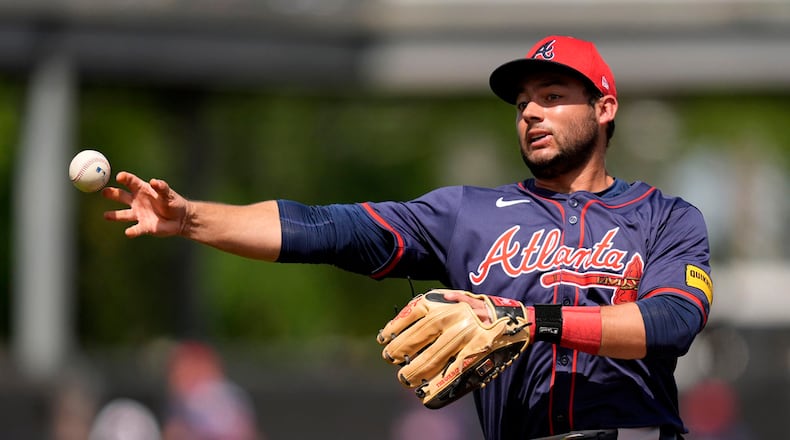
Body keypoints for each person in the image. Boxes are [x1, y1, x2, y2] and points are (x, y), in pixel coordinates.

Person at [102, 35, 713, 440]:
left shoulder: (665, 217)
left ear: (604, 108)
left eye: (552, 97)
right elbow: (325, 229)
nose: (530, 113)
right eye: (523, 103)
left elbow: (670, 323)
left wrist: (532, 322)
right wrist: (192, 219)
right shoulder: (470, 214)